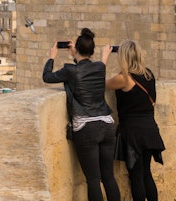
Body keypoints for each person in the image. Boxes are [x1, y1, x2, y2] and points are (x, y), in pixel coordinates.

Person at [43, 28, 121, 201]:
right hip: (107, 124)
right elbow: (88, 69)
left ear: (76, 49)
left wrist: (52, 56)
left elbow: (47, 77)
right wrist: (76, 55)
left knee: (93, 179)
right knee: (108, 177)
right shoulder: (100, 67)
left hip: (86, 128)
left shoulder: (70, 70)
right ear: (92, 51)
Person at [104, 40, 165, 201]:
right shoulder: (149, 75)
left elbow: (100, 84)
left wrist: (104, 58)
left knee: (136, 177)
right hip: (150, 130)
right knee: (146, 173)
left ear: (123, 57)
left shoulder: (124, 78)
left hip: (133, 133)